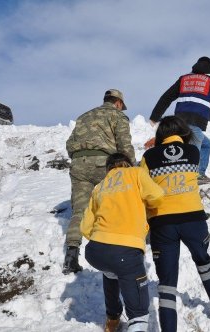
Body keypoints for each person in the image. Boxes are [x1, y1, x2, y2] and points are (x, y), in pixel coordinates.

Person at [140, 116, 210, 331]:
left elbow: (143, 187)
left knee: (167, 282)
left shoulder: (149, 156)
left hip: (163, 223)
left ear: (160, 135)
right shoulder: (193, 152)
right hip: (193, 219)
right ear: (183, 131)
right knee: (203, 261)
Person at [81, 153, 164, 332]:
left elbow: (85, 227)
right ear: (128, 163)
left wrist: (105, 240)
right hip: (126, 251)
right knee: (139, 313)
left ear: (108, 169)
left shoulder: (100, 186)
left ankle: (112, 319)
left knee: (111, 272)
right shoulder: (136, 173)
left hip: (95, 251)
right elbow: (157, 195)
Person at [63, 89, 136, 275]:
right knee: (115, 202)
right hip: (104, 164)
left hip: (79, 165)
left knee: (79, 210)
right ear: (118, 103)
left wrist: (79, 156)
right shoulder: (117, 116)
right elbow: (124, 145)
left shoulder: (83, 117)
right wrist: (133, 169)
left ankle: (71, 256)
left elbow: (69, 143)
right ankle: (115, 246)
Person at [149, 56, 210, 185]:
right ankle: (191, 177)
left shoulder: (184, 79)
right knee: (193, 149)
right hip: (195, 122)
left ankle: (198, 173)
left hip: (178, 122)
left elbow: (166, 97)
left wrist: (155, 117)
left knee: (206, 144)